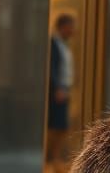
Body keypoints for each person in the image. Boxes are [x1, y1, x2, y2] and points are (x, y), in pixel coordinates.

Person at [47, 13, 76, 172]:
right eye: (70, 27)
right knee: (56, 127)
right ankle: (52, 161)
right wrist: (57, 87)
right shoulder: (53, 43)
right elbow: (51, 68)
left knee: (61, 127)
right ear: (62, 27)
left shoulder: (64, 45)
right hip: (57, 92)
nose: (72, 31)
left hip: (64, 90)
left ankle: (55, 160)